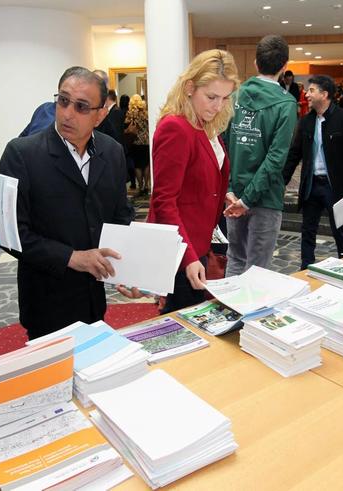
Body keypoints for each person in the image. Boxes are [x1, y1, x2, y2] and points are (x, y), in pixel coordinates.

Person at [0, 67, 134, 340]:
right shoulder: (21, 154)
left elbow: (120, 216)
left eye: (81, 106)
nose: (67, 113)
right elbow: (10, 234)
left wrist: (130, 270)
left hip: (94, 297)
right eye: (63, 101)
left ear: (100, 115)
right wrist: (72, 257)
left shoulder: (112, 151)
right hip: (46, 299)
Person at [148, 49, 239, 312]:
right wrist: (187, 257)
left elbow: (197, 173)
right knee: (181, 321)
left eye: (225, 98)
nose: (218, 106)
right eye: (211, 97)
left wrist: (220, 193)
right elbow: (164, 200)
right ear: (189, 87)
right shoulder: (176, 127)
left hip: (198, 241)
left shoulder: (204, 123)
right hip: (180, 248)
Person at [223, 34, 298, 276]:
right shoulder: (286, 104)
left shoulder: (234, 96)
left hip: (234, 194)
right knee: (258, 270)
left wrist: (230, 190)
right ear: (284, 66)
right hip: (265, 197)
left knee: (235, 259)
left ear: (256, 63)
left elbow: (222, 146)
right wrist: (248, 199)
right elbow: (276, 159)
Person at [283, 75, 343, 270]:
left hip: (334, 186)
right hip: (311, 185)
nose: (306, 94)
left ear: (325, 94)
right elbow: (294, 154)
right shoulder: (306, 121)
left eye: (311, 90)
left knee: (340, 231)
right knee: (307, 230)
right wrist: (281, 181)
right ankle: (305, 268)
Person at [125, 94, 150, 195]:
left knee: (138, 166)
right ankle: (146, 185)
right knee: (146, 164)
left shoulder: (131, 114)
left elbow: (126, 124)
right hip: (146, 142)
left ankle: (140, 186)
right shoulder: (146, 113)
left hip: (135, 142)